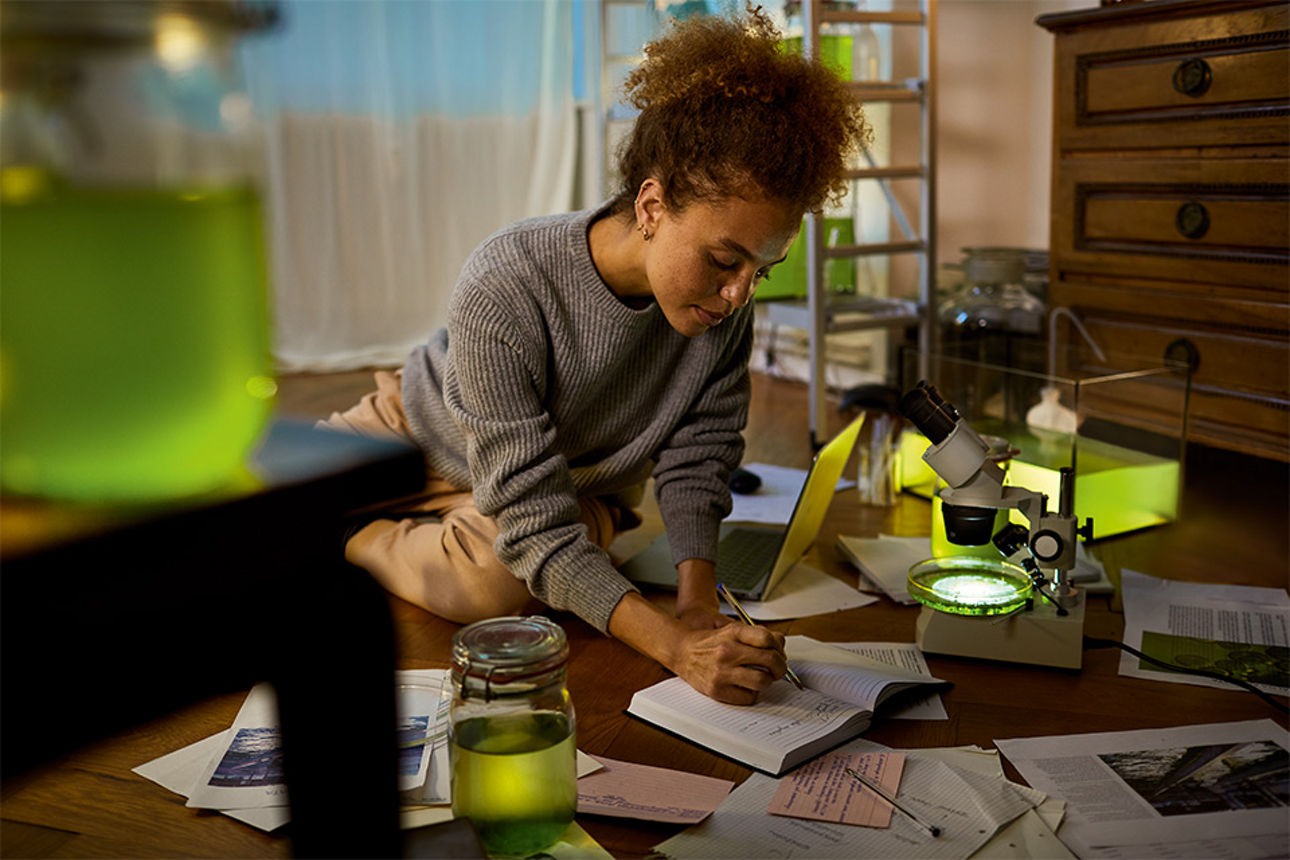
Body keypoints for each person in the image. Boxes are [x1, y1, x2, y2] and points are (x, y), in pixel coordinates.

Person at [325, 7, 869, 705]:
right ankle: (354, 535)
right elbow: (528, 513)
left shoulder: (721, 310)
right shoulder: (506, 280)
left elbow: (700, 454)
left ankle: (430, 535)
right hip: (421, 436)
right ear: (651, 205)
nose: (737, 294)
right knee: (260, 517)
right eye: (723, 259)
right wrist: (673, 647)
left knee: (499, 584)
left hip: (571, 483)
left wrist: (696, 602)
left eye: (759, 271)